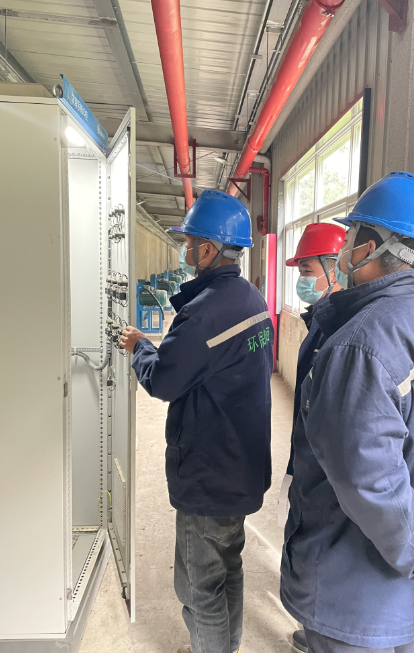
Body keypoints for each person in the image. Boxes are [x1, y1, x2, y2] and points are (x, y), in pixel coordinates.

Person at [280, 171, 414, 653]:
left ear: (368, 247)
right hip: (412, 588)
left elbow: (368, 480)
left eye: (351, 235)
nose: (345, 246)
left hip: (351, 595)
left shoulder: (358, 346)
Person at [120, 190, 274, 653]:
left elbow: (165, 380)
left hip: (210, 473)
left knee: (198, 586)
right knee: (229, 566)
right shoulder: (252, 299)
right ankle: (226, 645)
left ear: (208, 249)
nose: (186, 250)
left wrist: (140, 347)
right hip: (241, 463)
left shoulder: (205, 312)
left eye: (189, 243)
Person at [279, 223, 346, 653]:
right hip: (307, 459)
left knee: (322, 556)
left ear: (335, 268)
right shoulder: (320, 322)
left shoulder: (345, 331)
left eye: (307, 269)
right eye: (301, 270)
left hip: (326, 472)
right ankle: (312, 625)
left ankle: (322, 631)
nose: (301, 279)